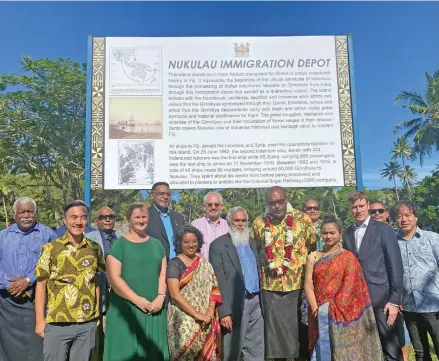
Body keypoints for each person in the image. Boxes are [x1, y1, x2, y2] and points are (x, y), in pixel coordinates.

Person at [304, 215, 383, 361]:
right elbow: (308, 285)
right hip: (318, 312)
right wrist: (316, 310)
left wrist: (332, 308)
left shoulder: (348, 257)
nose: (328, 236)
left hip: (342, 313)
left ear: (340, 233)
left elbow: (350, 285)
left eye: (332, 232)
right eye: (325, 233)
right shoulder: (314, 257)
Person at [35, 200, 105, 361]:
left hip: (86, 323)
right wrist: (40, 320)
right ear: (65, 220)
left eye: (83, 217)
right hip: (58, 322)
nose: (78, 222)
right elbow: (41, 285)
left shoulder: (94, 248)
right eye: (73, 217)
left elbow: (96, 281)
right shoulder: (51, 249)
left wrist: (97, 314)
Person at [251, 186, 316, 361]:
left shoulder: (303, 219)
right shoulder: (259, 222)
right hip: (270, 285)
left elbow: (312, 245)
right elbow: (256, 247)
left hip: (297, 284)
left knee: (297, 326)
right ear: (268, 204)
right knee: (273, 330)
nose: (278, 206)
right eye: (273, 203)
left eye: (280, 201)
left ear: (286, 200)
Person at [343, 191, 404, 361]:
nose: (358, 210)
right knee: (367, 348)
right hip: (357, 301)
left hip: (382, 299)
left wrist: (393, 300)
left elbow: (395, 265)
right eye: (354, 207)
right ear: (350, 209)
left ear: (368, 205)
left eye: (361, 206)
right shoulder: (347, 233)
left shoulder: (383, 229)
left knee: (391, 348)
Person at [104, 202, 169, 361]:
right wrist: (138, 300)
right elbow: (114, 279)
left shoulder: (157, 244)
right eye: (137, 217)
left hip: (154, 308)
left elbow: (162, 274)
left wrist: (160, 296)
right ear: (129, 219)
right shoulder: (119, 245)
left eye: (144, 217)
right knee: (125, 352)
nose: (141, 220)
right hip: (126, 309)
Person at [0, 197, 57, 361]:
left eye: (30, 211)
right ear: (14, 214)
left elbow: (54, 264)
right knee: (7, 348)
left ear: (36, 213)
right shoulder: (2, 236)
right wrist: (9, 283)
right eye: (22, 212)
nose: (26, 215)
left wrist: (28, 280)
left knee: (37, 345)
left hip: (36, 301)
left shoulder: (48, 235)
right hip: (6, 303)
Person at [210, 206, 264, 361]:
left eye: (243, 220)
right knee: (231, 350)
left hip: (256, 302)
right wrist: (224, 312)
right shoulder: (218, 246)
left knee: (256, 349)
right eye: (236, 220)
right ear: (229, 222)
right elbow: (218, 280)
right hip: (234, 304)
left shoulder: (253, 243)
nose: (240, 224)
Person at [391, 200, 439, 361]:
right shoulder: (392, 243)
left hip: (433, 306)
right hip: (409, 307)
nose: (404, 219)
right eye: (399, 216)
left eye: (407, 215)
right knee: (420, 353)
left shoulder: (432, 239)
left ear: (415, 217)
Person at [167, 225, 222, 360]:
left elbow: (214, 289)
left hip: (206, 318)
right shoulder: (174, 264)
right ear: (180, 243)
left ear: (199, 242)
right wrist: (197, 315)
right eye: (186, 242)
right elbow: (174, 294)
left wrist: (209, 312)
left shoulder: (205, 264)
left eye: (194, 241)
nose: (191, 245)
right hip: (182, 320)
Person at [370, 200, 411, 361]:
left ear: (387, 213)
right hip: (381, 297)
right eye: (373, 212)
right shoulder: (367, 238)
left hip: (399, 295)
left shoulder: (395, 234)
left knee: (400, 336)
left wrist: (396, 296)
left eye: (380, 211)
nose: (377, 214)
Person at [85, 207, 123, 361]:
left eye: (110, 216)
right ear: (96, 221)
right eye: (103, 217)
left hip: (120, 290)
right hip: (97, 289)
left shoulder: (123, 237)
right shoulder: (88, 238)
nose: (107, 219)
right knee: (97, 330)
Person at [146, 182, 185, 260]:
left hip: (177, 266)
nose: (165, 197)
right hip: (155, 265)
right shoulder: (145, 216)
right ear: (152, 196)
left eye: (168, 194)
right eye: (162, 193)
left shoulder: (178, 217)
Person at [191, 191, 228, 260]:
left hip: (224, 269)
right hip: (202, 268)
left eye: (216, 204)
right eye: (210, 204)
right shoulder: (195, 225)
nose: (213, 207)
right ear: (204, 206)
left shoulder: (228, 226)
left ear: (221, 207)